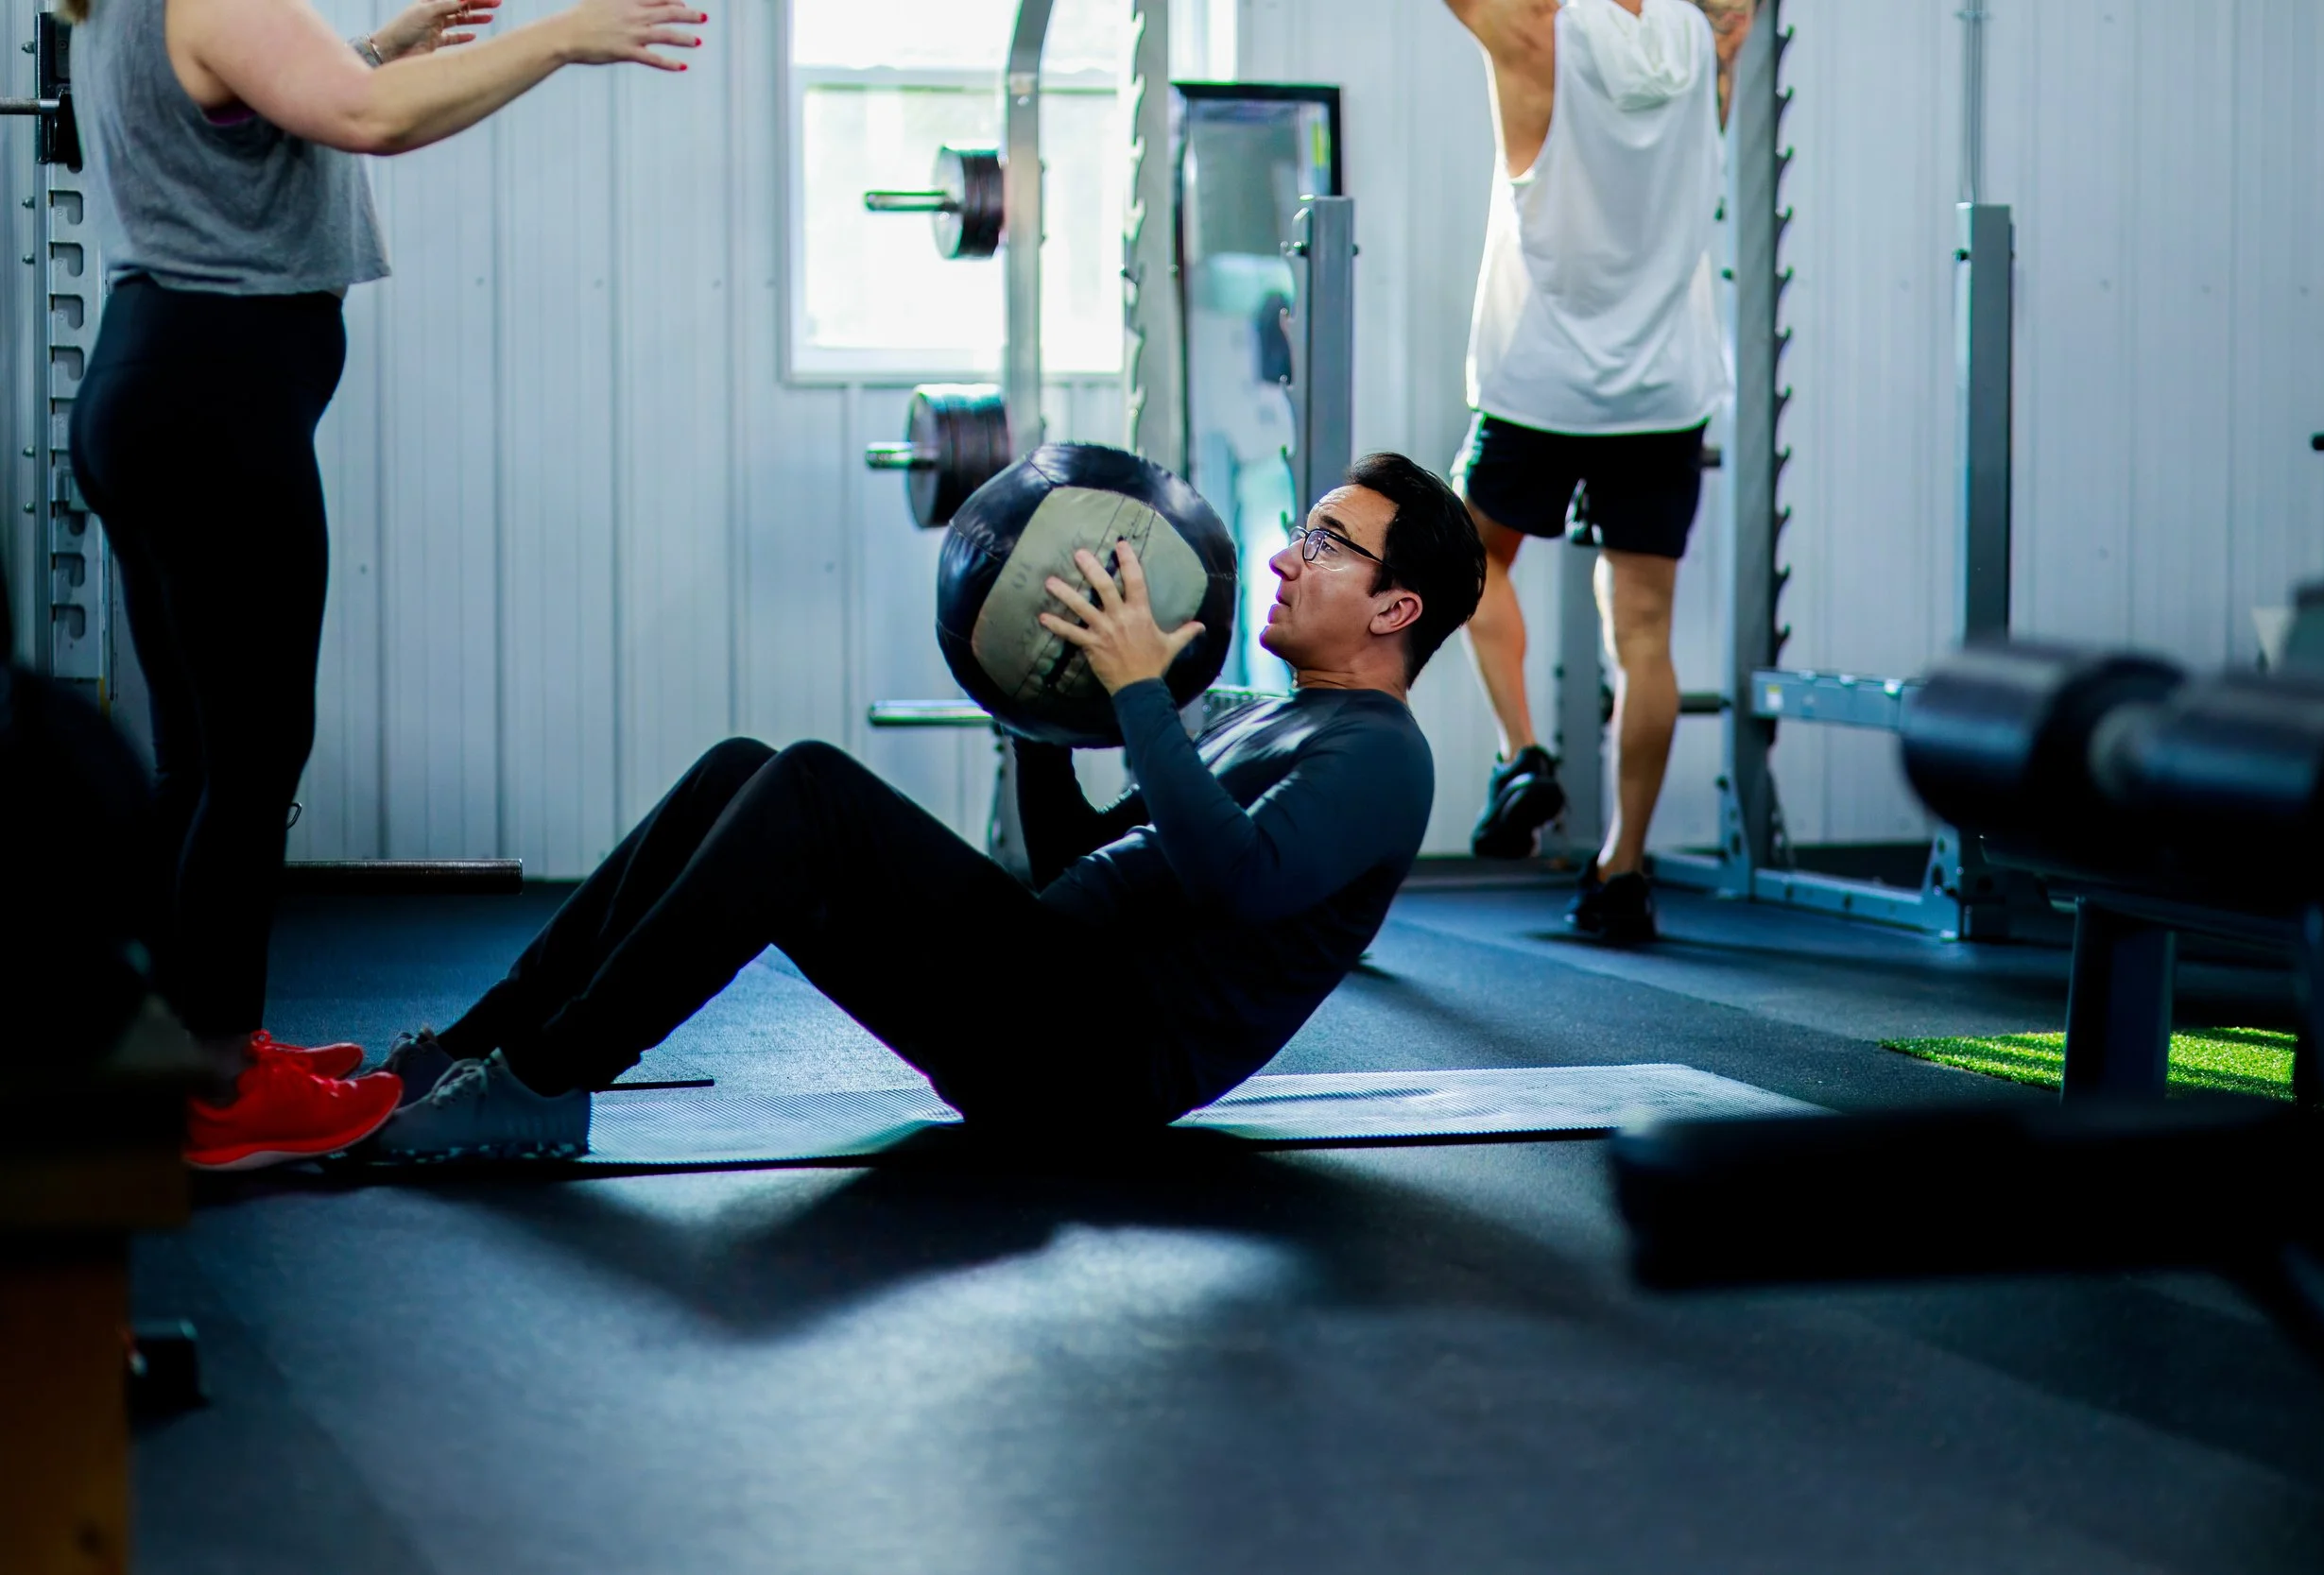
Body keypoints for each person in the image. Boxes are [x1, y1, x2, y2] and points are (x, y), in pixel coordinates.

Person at [367, 454, 1488, 1161]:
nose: (1289, 556)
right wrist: (1042, 705)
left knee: (807, 784)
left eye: (1328, 544)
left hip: (1090, 1065)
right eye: (1305, 527)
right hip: (1046, 987)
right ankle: (475, 1048)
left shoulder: (1384, 757)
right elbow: (1088, 862)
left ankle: (544, 1083)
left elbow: (1237, 881)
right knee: (736, 767)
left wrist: (1142, 690)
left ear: (1398, 603)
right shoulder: (1261, 713)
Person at [65, 0, 704, 1170]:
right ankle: (217, 1091)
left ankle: (197, 1051)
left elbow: (279, 99)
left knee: (203, 764)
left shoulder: (120, 7)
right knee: (254, 760)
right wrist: (564, 37)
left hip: (156, 380)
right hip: (214, 400)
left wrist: (375, 48)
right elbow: (364, 121)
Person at [1444, 0, 1750, 946]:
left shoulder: (1534, 33)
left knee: (1465, 559)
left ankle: (1521, 754)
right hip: (1662, 388)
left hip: (1540, 373)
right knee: (1646, 635)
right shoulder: (1714, 37)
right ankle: (1623, 869)